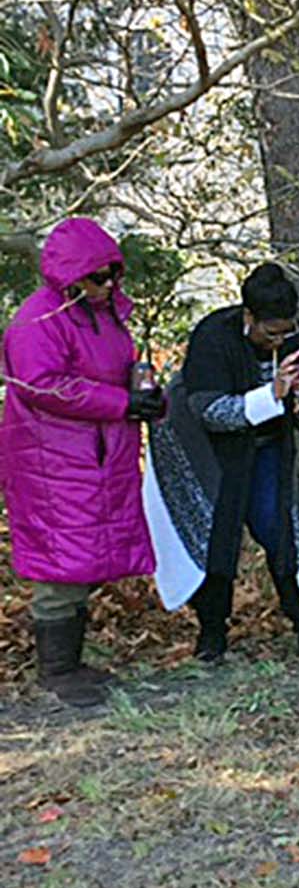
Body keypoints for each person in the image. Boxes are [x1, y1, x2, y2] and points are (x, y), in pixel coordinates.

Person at [0, 218, 158, 705]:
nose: (108, 285)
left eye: (113, 275)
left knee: (83, 559)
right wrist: (121, 404)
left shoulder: (105, 314)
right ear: (71, 276)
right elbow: (42, 384)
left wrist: (148, 397)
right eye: (98, 277)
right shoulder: (39, 319)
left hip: (95, 457)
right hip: (52, 461)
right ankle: (56, 672)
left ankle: (72, 664)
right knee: (59, 562)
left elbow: (116, 374)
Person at [143, 262, 299, 664]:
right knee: (216, 535)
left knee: (280, 527)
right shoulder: (213, 335)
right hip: (208, 450)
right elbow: (210, 410)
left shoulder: (297, 337)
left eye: (286, 330)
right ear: (249, 317)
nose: (279, 339)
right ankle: (212, 634)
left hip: (266, 446)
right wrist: (272, 393)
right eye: (270, 331)